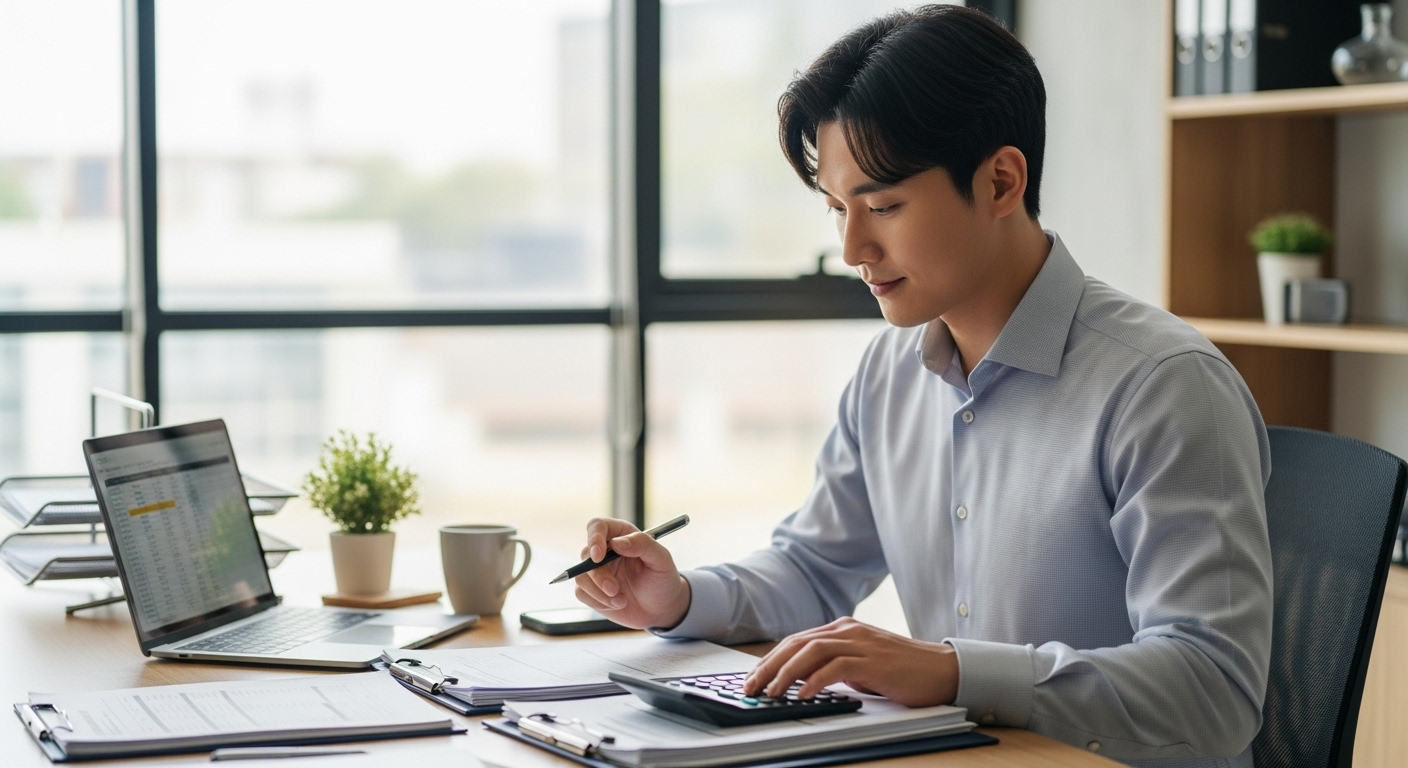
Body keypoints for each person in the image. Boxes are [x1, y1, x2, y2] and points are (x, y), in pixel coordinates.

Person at [573, 6, 1272, 767]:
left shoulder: (1163, 387)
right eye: (838, 210)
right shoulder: (888, 372)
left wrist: (953, 672)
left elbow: (1215, 690)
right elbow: (814, 567)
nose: (851, 248)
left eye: (882, 207)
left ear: (1002, 180)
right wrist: (677, 598)